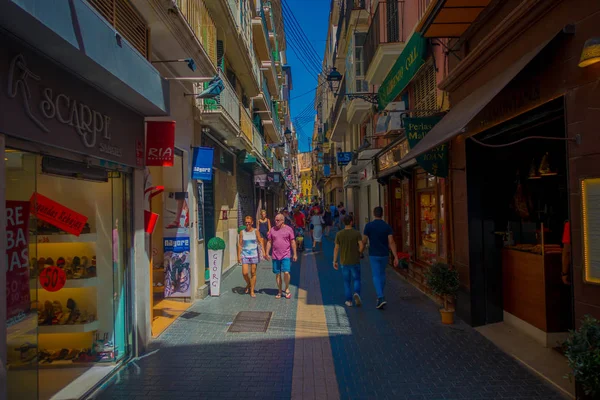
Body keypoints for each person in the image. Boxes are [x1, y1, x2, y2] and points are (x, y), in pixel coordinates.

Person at [362, 206, 399, 309]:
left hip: (373, 254)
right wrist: (396, 256)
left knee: (375, 275)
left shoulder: (369, 226)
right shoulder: (387, 226)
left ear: (374, 214)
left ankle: (381, 297)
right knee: (382, 274)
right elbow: (391, 242)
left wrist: (360, 251)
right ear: (382, 214)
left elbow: (364, 240)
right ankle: (379, 298)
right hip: (384, 254)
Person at [333, 214, 365, 307]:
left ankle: (349, 301)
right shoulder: (356, 233)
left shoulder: (339, 234)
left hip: (344, 261)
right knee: (357, 279)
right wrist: (359, 252)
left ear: (343, 223)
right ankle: (357, 294)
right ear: (351, 222)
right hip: (355, 260)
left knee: (346, 282)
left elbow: (336, 248)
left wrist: (334, 261)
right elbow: (362, 245)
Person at [266, 214, 297, 299]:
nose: (275, 222)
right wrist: (266, 252)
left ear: (282, 221)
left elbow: (293, 242)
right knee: (278, 274)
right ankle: (279, 290)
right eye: (275, 220)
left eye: (278, 220)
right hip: (275, 255)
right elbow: (269, 242)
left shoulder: (289, 229)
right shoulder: (272, 230)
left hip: (286, 254)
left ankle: (286, 288)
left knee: (286, 272)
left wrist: (295, 254)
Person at [237, 216, 266, 298]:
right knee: (245, 273)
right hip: (245, 254)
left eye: (249, 222)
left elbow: (260, 241)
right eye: (246, 222)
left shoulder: (255, 231)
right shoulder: (242, 232)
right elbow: (240, 244)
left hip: (254, 254)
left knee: (253, 272)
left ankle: (252, 290)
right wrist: (238, 256)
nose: (247, 224)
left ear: (252, 222)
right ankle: (249, 283)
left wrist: (264, 252)